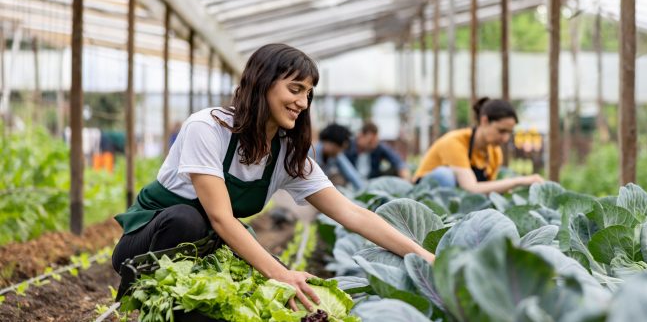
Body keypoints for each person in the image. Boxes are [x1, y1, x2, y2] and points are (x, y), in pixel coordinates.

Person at [112, 44, 434, 312]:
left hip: (205, 254)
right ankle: (146, 298)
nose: (302, 103)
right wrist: (281, 273)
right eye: (295, 89)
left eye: (308, 93)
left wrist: (426, 257)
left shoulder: (286, 154)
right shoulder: (207, 128)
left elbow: (352, 214)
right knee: (187, 220)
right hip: (146, 246)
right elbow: (221, 219)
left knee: (258, 298)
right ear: (262, 83)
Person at [413, 97, 544, 194]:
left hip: (455, 201)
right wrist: (518, 181)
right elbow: (471, 188)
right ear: (484, 121)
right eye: (501, 131)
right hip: (423, 197)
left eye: (509, 133)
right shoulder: (454, 142)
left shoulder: (494, 152)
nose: (505, 138)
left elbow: (487, 192)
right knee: (444, 175)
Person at [344, 122, 410, 181]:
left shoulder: (378, 147)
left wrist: (406, 177)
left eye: (375, 142)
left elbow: (398, 161)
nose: (373, 145)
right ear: (361, 136)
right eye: (370, 142)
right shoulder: (347, 146)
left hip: (371, 183)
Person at [312, 123, 365, 189]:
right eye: (341, 148)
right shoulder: (310, 153)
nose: (341, 151)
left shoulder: (335, 155)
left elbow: (351, 174)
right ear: (331, 143)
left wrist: (364, 191)